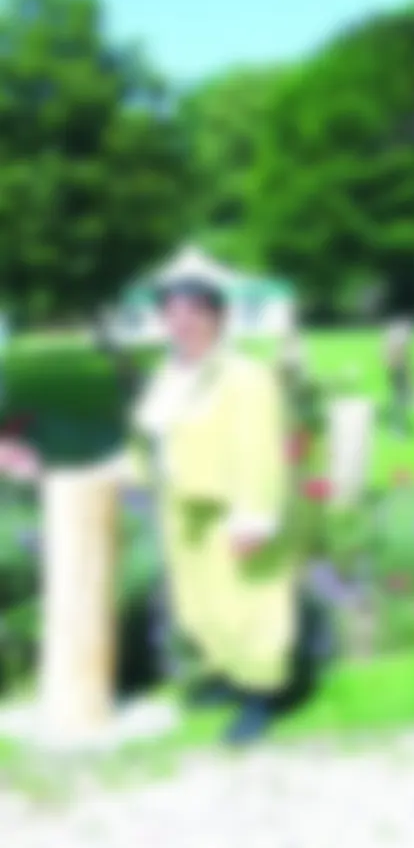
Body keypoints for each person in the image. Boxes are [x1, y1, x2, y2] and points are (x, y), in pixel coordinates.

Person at [0, 276, 298, 746]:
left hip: (228, 512)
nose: (180, 324)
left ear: (216, 318)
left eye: (192, 313)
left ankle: (261, 696)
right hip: (182, 508)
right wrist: (100, 471)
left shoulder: (244, 377)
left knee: (248, 603)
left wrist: (254, 517)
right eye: (171, 314)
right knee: (201, 605)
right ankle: (227, 678)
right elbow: (149, 441)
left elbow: (259, 451)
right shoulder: (170, 373)